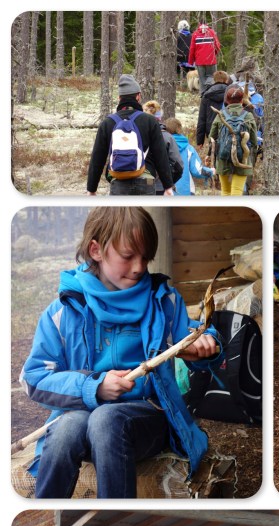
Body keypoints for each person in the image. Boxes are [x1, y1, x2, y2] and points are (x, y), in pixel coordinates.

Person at [21, 207, 218, 498]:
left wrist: (205, 346)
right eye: (128, 256)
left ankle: (115, 518)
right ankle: (48, 509)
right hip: (82, 417)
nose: (139, 267)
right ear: (96, 250)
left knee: (107, 420)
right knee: (65, 428)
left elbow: (190, 334)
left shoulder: (163, 302)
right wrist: (93, 388)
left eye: (145, 257)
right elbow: (34, 377)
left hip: (146, 419)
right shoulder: (62, 312)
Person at [85, 74, 175, 196]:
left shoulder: (107, 123)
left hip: (118, 183)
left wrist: (92, 189)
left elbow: (97, 158)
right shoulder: (150, 121)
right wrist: (168, 186)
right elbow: (161, 155)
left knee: (121, 216)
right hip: (146, 182)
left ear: (119, 98)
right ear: (138, 96)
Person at [209, 85, 258, 196]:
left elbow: (212, 137)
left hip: (223, 157)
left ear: (226, 100)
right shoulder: (248, 116)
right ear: (242, 100)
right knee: (237, 191)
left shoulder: (220, 114)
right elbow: (254, 141)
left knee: (225, 191)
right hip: (242, 159)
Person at [141, 100, 184, 195]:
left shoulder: (136, 134)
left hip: (137, 184)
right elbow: (179, 166)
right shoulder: (167, 137)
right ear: (159, 118)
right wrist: (169, 182)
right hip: (161, 186)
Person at [164, 117, 215, 195]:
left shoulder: (159, 146)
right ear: (179, 129)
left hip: (164, 191)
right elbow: (197, 171)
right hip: (185, 192)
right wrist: (211, 171)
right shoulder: (188, 148)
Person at [196, 70, 230, 151]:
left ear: (214, 80)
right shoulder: (231, 92)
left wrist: (200, 140)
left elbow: (202, 119)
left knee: (213, 154)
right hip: (228, 128)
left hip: (211, 131)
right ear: (226, 80)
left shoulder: (206, 95)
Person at [188, 22, 222, 92]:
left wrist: (191, 61)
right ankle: (211, 93)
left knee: (202, 80)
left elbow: (192, 49)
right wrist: (214, 54)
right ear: (207, 24)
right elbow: (217, 46)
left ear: (199, 24)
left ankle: (203, 95)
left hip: (199, 62)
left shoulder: (195, 34)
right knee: (212, 78)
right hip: (211, 61)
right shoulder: (211, 32)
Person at [176, 20, 193, 84]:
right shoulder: (191, 36)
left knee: (178, 72)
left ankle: (179, 83)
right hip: (190, 60)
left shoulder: (177, 36)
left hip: (179, 60)